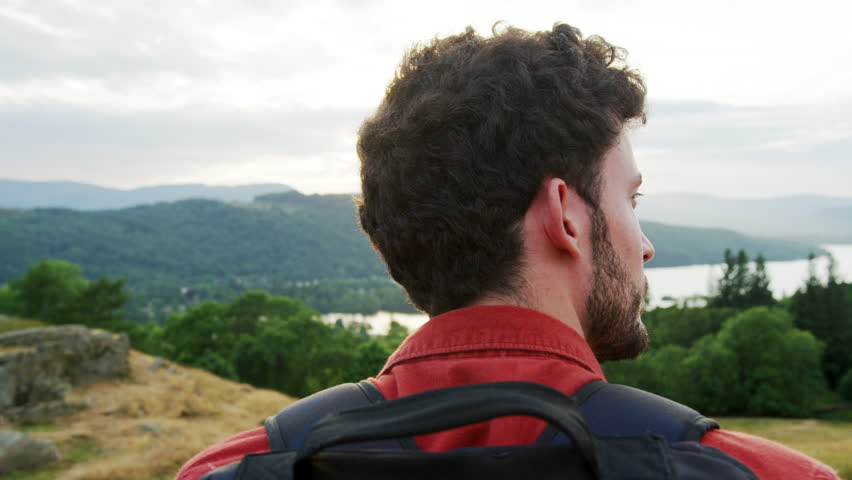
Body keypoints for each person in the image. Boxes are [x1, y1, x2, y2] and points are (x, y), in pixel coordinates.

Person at [176, 23, 840, 480]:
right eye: (630, 202)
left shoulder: (231, 470)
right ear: (566, 217)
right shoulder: (761, 474)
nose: (646, 246)